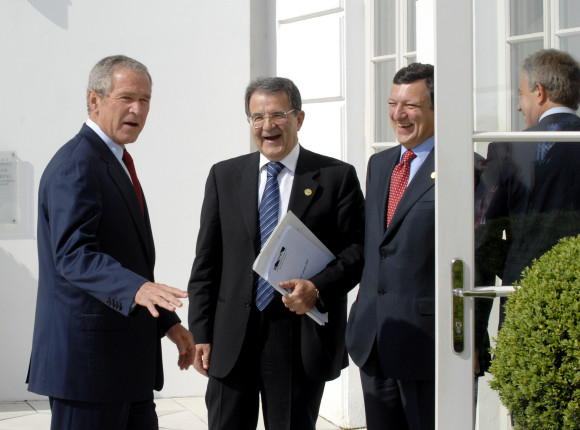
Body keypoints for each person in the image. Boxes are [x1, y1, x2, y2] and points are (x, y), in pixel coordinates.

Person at [27, 55, 195, 430]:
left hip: (125, 367)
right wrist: (139, 289)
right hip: (88, 368)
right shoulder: (76, 163)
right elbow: (74, 255)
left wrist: (166, 323)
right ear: (94, 100)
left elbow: (126, 261)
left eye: (146, 100)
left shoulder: (113, 159)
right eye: (127, 97)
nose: (138, 109)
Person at [187, 77, 365, 430]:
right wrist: (201, 331)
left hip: (296, 335)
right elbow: (207, 260)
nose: (267, 126)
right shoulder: (224, 176)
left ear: (298, 119)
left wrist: (316, 288)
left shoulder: (336, 177)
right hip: (231, 335)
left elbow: (357, 251)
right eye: (257, 117)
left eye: (278, 115)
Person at [345, 63, 436, 430]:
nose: (398, 114)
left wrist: (471, 340)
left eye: (410, 105)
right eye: (392, 103)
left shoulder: (465, 168)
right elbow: (375, 245)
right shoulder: (380, 164)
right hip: (373, 339)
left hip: (426, 345)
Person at [474, 49, 580, 327]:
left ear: (540, 92)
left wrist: (522, 266)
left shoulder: (507, 148)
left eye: (521, 94)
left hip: (525, 296)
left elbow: (481, 232)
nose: (519, 106)